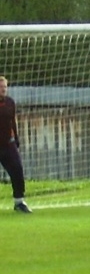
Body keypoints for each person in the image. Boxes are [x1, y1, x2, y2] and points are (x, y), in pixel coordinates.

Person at [0, 76, 32, 213]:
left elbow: (13, 121)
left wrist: (16, 138)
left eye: (5, 87)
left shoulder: (10, 103)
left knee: (17, 169)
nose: (3, 89)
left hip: (8, 143)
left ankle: (19, 202)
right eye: (1, 87)